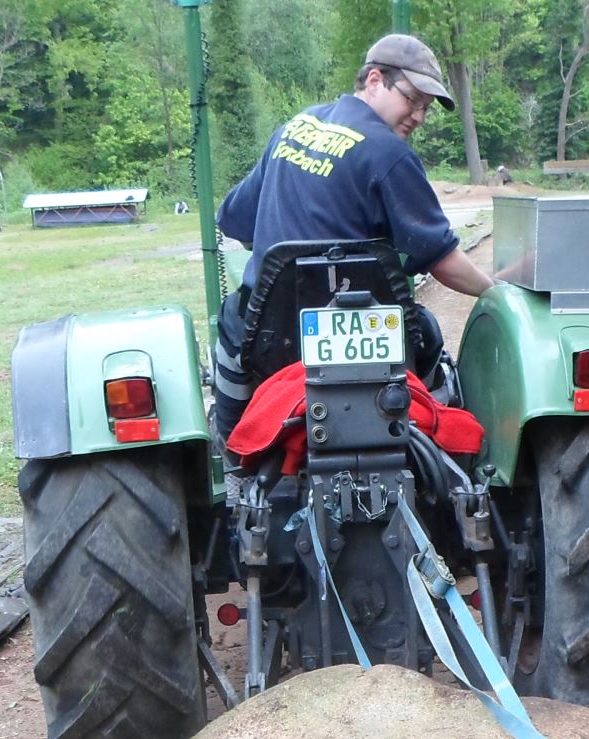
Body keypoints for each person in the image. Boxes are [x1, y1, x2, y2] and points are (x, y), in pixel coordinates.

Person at [210, 33, 495, 442]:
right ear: (375, 80)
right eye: (412, 99)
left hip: (275, 339)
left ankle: (235, 445)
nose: (418, 115)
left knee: (234, 320)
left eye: (426, 108)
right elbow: (439, 257)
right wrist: (494, 291)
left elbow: (235, 221)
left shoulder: (295, 128)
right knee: (424, 331)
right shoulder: (388, 154)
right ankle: (442, 445)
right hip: (375, 336)